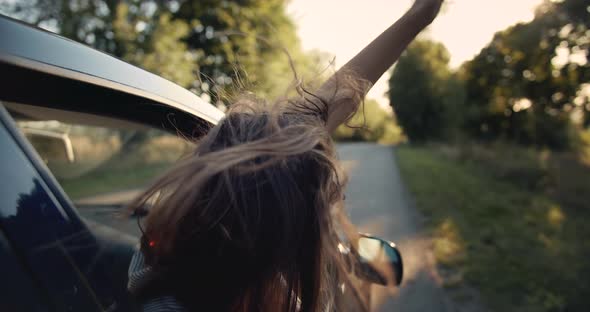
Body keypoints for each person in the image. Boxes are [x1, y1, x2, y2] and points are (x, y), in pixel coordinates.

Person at [127, 0, 444, 311]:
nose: (334, 228)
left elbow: (325, 104)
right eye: (324, 221)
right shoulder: (276, 297)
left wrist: (420, 15)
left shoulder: (158, 262)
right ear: (279, 257)